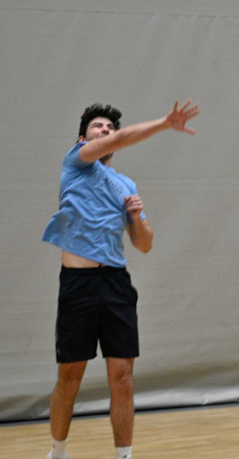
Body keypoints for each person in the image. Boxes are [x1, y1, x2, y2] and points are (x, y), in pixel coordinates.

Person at [42, 100, 199, 459]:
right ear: (83, 139)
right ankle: (58, 452)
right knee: (70, 378)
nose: (106, 131)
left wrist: (138, 217)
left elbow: (144, 244)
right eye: (98, 127)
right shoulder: (76, 162)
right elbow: (120, 140)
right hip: (78, 284)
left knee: (123, 377)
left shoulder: (125, 184)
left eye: (110, 127)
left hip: (115, 284)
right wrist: (164, 123)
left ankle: (124, 455)